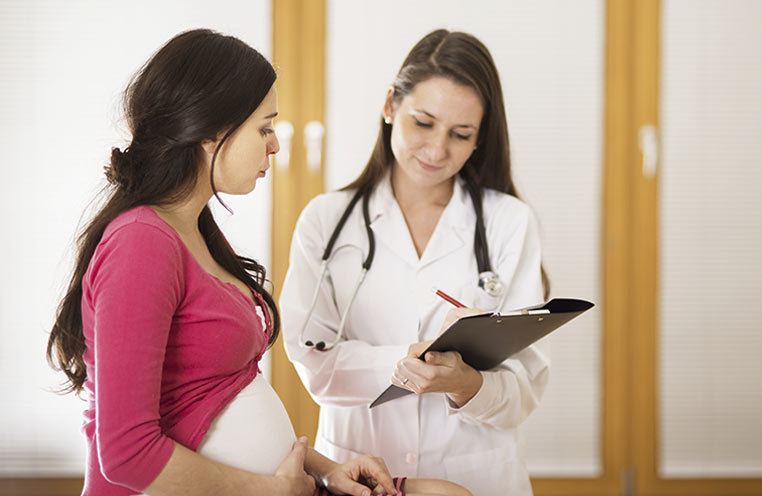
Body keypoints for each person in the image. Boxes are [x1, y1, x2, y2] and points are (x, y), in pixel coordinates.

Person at [47, 29, 470, 496]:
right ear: (211, 131)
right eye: (265, 127)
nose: (275, 145)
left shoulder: (195, 233)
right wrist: (270, 490)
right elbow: (126, 454)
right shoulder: (141, 244)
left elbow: (221, 394)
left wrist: (327, 469)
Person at [279, 29, 551, 496]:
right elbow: (312, 360)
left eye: (460, 134)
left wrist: (468, 385)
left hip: (478, 474)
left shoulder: (510, 223)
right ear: (390, 106)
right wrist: (406, 362)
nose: (437, 149)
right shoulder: (326, 221)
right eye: (423, 123)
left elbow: (525, 387)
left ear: (480, 137)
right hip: (360, 472)